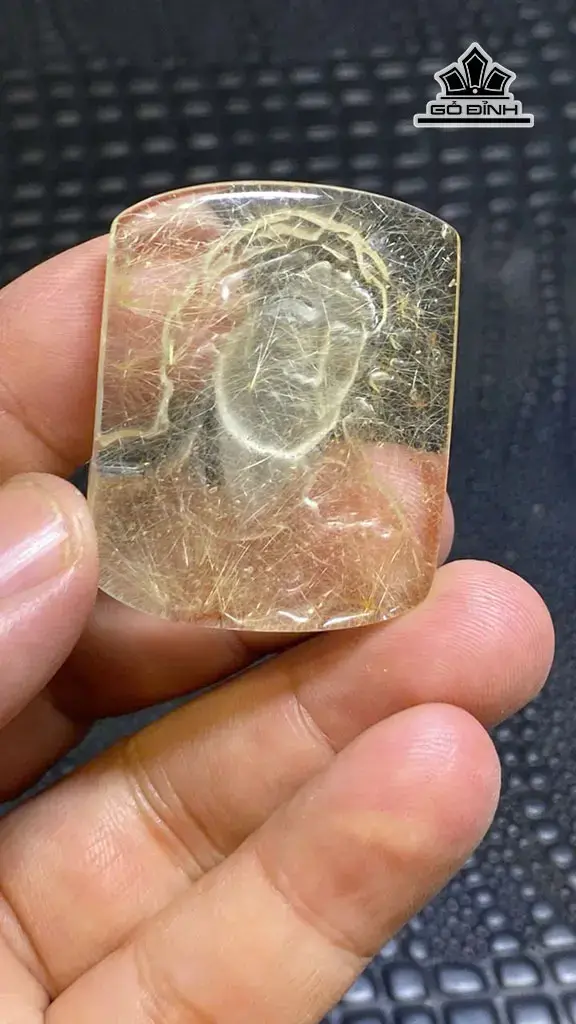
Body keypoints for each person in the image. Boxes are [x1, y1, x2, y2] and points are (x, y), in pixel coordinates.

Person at [0, 237, 554, 1023]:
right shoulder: (134, 515)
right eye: (296, 321)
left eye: (345, 334)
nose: (313, 359)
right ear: (228, 334)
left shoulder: (367, 529)